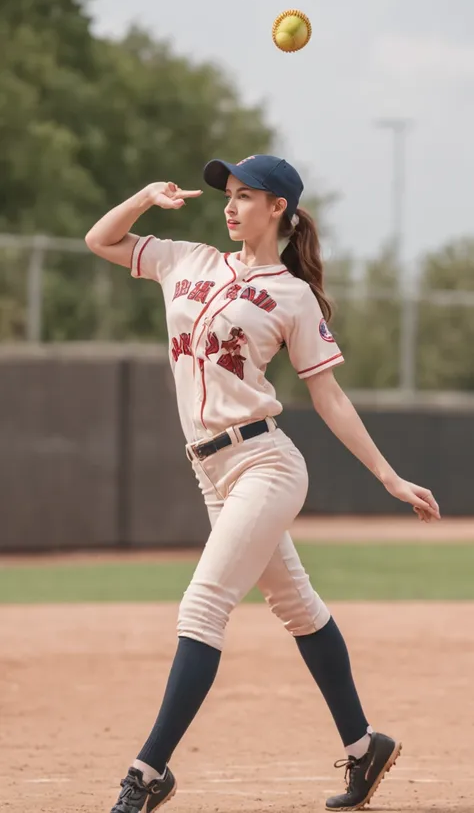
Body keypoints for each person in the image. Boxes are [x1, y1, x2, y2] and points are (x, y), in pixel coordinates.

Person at [85, 154, 440, 813]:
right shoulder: (186, 259)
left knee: (203, 606)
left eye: (245, 195)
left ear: (278, 207)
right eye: (228, 194)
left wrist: (389, 477)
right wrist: (142, 197)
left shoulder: (291, 295)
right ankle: (364, 748)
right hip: (211, 471)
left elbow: (328, 397)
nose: (229, 205)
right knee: (297, 606)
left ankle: (147, 772)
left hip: (264, 465)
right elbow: (100, 240)